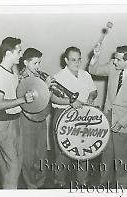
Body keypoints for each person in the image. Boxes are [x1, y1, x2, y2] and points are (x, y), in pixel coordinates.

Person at [89, 44, 127, 188]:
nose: (114, 62)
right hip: (107, 116)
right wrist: (95, 56)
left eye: (118, 60)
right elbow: (93, 70)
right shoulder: (112, 66)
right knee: (106, 154)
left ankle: (122, 185)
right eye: (115, 58)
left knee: (121, 156)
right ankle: (104, 182)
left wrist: (122, 122)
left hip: (123, 120)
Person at [51, 46, 98, 188]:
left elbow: (94, 91)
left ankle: (82, 180)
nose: (76, 63)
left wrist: (91, 97)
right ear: (66, 60)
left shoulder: (85, 74)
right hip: (63, 115)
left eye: (78, 59)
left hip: (83, 116)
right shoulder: (58, 76)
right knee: (62, 151)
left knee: (84, 149)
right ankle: (59, 180)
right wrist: (70, 102)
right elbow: (52, 98)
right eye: (73, 60)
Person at [0, 37, 34, 189]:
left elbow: (14, 96)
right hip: (3, 123)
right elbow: (0, 104)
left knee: (12, 165)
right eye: (19, 51)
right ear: (9, 53)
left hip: (15, 120)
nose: (21, 55)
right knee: (13, 166)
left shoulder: (12, 72)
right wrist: (22, 99)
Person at [18, 48, 53, 189]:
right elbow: (28, 101)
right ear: (26, 62)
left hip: (40, 117)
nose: (38, 66)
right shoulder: (20, 78)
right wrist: (46, 88)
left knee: (41, 152)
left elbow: (44, 101)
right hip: (26, 118)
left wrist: (48, 90)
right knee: (28, 154)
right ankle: (31, 184)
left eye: (39, 62)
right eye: (35, 63)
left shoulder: (39, 76)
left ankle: (40, 181)